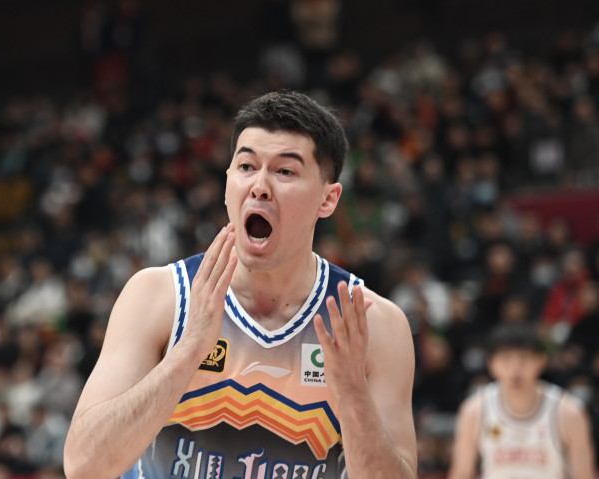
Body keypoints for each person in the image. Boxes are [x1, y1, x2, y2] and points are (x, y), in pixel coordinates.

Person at [63, 91, 417, 478]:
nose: (260, 185)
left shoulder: (374, 323)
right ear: (227, 182)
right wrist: (188, 352)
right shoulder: (159, 296)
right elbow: (84, 466)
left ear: (328, 199)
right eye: (246, 166)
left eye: (285, 172)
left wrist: (352, 395)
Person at [448, 322, 595, 479]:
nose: (515, 369)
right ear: (491, 364)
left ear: (541, 361)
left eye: (524, 359)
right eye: (506, 359)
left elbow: (584, 475)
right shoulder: (474, 410)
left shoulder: (569, 412)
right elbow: (461, 473)